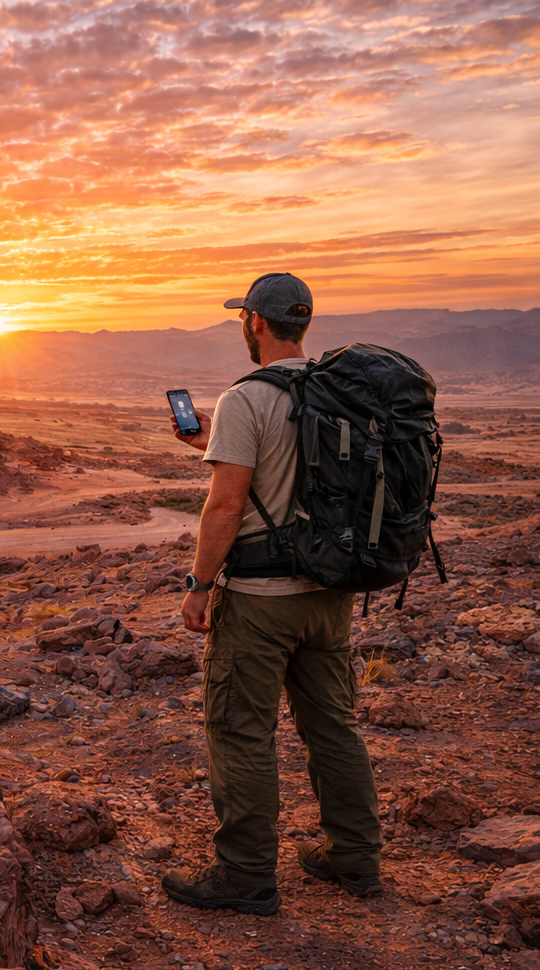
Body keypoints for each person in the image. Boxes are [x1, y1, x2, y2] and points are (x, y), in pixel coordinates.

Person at [161, 272, 383, 916]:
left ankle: (246, 874)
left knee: (241, 730)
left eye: (244, 318)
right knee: (332, 726)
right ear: (302, 322)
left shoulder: (247, 397)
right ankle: (355, 858)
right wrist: (212, 443)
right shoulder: (336, 389)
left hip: (260, 598)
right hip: (330, 593)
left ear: (255, 323)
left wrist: (200, 586)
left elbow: (226, 505)